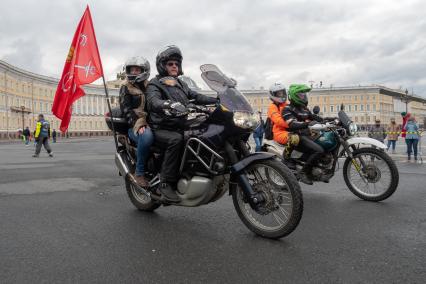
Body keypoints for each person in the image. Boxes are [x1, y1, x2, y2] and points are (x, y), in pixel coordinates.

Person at [146, 45, 217, 202]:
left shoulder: (180, 83)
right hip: (162, 127)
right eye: (170, 64)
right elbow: (153, 101)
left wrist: (218, 99)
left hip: (180, 124)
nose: (174, 66)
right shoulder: (154, 84)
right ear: (163, 65)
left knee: (203, 130)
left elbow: (196, 96)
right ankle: (166, 182)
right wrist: (167, 104)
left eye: (176, 64)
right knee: (176, 140)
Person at [119, 56, 154, 187]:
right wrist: (138, 124)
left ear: (144, 71)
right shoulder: (125, 87)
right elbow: (126, 110)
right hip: (134, 125)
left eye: (137, 70)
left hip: (153, 122)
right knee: (146, 137)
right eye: (132, 69)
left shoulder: (150, 86)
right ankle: (139, 173)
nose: (134, 72)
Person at [282, 84, 324, 185]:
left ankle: (318, 168)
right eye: (301, 95)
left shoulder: (304, 108)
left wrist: (332, 120)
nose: (304, 96)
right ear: (294, 96)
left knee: (324, 143)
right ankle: (304, 172)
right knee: (319, 150)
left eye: (304, 94)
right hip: (296, 136)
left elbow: (315, 118)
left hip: (306, 134)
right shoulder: (287, 109)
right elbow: (291, 124)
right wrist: (308, 123)